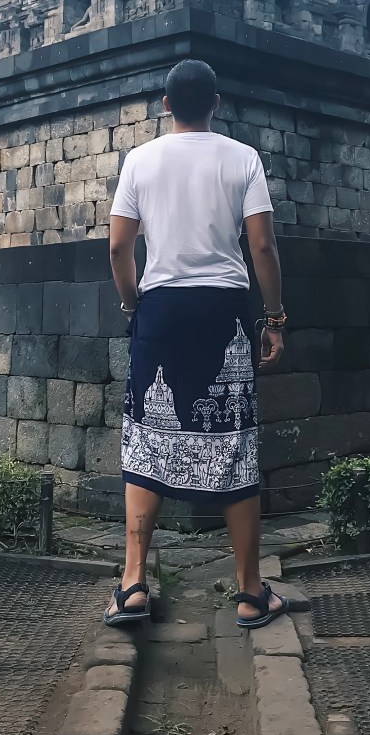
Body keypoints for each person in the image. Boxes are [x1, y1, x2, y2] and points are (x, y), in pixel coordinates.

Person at [104, 59, 288, 630]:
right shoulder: (242, 157)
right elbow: (261, 248)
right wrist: (275, 316)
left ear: (165, 105)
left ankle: (133, 582)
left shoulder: (139, 159)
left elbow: (117, 248)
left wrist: (134, 305)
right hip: (223, 309)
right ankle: (250, 593)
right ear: (216, 103)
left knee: (147, 439)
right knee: (234, 442)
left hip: (159, 308)